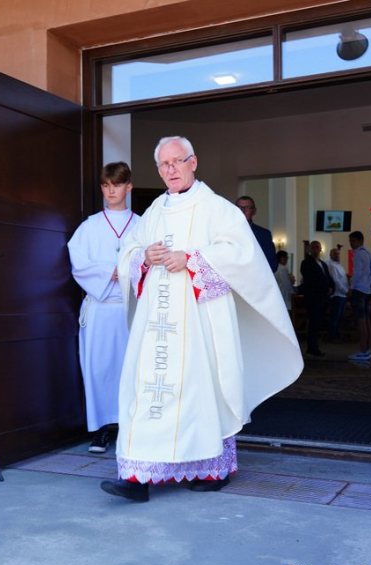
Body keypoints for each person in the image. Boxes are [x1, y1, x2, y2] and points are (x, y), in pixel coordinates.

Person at [99, 136, 302, 502]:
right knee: (147, 391)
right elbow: (129, 252)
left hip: (199, 324)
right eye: (164, 164)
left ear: (193, 162)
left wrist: (192, 259)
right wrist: (144, 257)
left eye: (177, 161)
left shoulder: (218, 209)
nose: (171, 169)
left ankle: (211, 469)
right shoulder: (154, 212)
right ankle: (136, 476)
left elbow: (242, 256)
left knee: (200, 392)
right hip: (156, 327)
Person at [67, 162, 140, 453]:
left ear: (128, 187)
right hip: (100, 306)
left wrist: (127, 271)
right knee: (98, 368)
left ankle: (129, 429)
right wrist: (110, 271)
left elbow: (150, 260)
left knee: (130, 368)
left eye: (117, 185)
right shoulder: (90, 226)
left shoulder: (142, 225)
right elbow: (78, 263)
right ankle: (100, 430)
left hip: (131, 309)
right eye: (107, 186)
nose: (111, 191)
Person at [299, 240, 333, 357]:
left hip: (323, 298)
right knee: (313, 323)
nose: (315, 249)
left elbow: (328, 277)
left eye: (317, 247)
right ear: (310, 249)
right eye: (313, 247)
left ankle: (315, 346)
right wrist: (325, 287)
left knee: (318, 323)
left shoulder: (323, 264)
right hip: (313, 298)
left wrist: (331, 287)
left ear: (320, 249)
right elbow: (311, 279)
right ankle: (312, 347)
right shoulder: (306, 263)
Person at [347, 231, 371, 361]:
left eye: (353, 241)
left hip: (359, 290)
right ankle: (367, 349)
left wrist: (351, 288)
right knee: (367, 321)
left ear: (360, 241)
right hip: (368, 290)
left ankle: (363, 350)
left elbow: (357, 273)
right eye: (350, 241)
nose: (351, 243)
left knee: (361, 321)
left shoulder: (358, 254)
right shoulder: (368, 253)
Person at [235, 195, 278, 271]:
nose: (242, 211)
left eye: (247, 207)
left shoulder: (264, 234)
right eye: (239, 207)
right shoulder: (224, 231)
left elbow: (272, 264)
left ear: (254, 211)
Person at [327, 246, 348, 340]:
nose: (337, 255)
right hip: (337, 295)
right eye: (335, 254)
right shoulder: (331, 266)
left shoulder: (339, 265)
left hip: (343, 295)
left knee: (340, 317)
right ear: (330, 255)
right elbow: (336, 281)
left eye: (338, 254)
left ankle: (338, 335)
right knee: (335, 317)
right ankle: (333, 336)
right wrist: (345, 290)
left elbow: (343, 279)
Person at [274, 250, 295, 314]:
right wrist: (293, 292)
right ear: (281, 258)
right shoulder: (282, 269)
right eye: (286, 257)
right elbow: (287, 285)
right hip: (284, 295)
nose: (287, 259)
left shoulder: (276, 267)